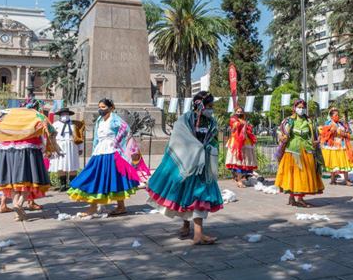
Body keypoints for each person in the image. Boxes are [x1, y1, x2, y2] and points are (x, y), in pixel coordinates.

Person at [147, 91, 223, 245]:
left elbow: (214, 140)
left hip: (203, 167)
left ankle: (193, 230)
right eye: (209, 106)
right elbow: (179, 139)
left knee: (194, 199)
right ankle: (196, 233)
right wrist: (197, 148)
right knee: (193, 198)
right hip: (188, 165)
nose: (211, 109)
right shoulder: (185, 120)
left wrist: (209, 149)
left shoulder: (211, 123)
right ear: (200, 105)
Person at [0, 99, 59, 221]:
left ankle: (17, 211)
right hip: (28, 150)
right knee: (28, 179)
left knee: (12, 182)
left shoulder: (6, 114)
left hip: (6, 150)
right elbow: (51, 130)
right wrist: (50, 147)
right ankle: (19, 204)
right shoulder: (35, 115)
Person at [68, 99, 139, 216]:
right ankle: (99, 206)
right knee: (97, 176)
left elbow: (126, 130)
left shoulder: (115, 119)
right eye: (99, 107)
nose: (100, 109)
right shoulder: (100, 120)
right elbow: (97, 137)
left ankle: (116, 206)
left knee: (113, 177)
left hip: (112, 152)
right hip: (100, 151)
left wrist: (117, 142)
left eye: (103, 107)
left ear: (111, 108)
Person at [275, 99, 324, 207]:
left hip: (307, 150)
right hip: (292, 150)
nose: (301, 109)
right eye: (299, 107)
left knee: (304, 175)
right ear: (294, 108)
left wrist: (316, 140)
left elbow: (315, 134)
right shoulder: (288, 120)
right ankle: (292, 198)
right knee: (293, 175)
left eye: (303, 107)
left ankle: (300, 198)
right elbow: (280, 131)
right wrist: (282, 137)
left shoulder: (309, 121)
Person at [50, 108, 85, 191]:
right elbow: (51, 137)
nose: (65, 115)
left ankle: (73, 184)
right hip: (59, 146)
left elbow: (79, 136)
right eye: (63, 114)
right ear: (60, 115)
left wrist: (80, 148)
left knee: (72, 165)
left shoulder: (74, 124)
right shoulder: (55, 124)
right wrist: (52, 148)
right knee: (60, 165)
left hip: (72, 146)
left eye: (66, 114)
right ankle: (63, 184)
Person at [320, 107, 353, 186]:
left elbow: (347, 131)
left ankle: (346, 180)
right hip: (332, 146)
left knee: (344, 161)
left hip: (342, 145)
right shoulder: (328, 123)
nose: (337, 116)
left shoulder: (341, 123)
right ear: (331, 116)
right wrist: (331, 131)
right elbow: (324, 134)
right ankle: (333, 180)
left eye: (338, 115)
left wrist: (344, 133)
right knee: (333, 162)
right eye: (335, 115)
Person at [225, 106, 258, 188]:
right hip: (236, 142)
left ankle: (239, 178)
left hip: (245, 142)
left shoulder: (244, 120)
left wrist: (248, 127)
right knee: (237, 162)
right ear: (235, 112)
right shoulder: (233, 119)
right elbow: (234, 126)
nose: (239, 113)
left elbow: (248, 129)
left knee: (244, 162)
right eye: (238, 111)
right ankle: (239, 181)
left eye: (241, 111)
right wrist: (239, 124)